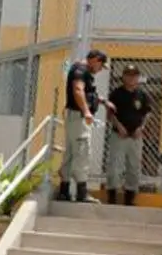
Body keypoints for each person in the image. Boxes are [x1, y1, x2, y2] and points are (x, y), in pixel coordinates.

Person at [57, 49, 113, 203]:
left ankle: (64, 191)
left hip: (74, 117)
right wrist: (87, 112)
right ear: (94, 59)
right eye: (101, 65)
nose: (100, 69)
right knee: (82, 153)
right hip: (79, 118)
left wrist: (103, 101)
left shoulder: (80, 70)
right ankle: (82, 193)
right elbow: (78, 90)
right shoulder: (81, 71)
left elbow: (87, 92)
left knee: (70, 154)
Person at [106, 64, 151, 206]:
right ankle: (112, 196)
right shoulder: (116, 93)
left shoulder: (142, 95)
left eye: (134, 75)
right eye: (129, 75)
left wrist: (141, 128)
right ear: (123, 76)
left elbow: (147, 113)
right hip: (119, 135)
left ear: (138, 77)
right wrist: (118, 126)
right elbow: (110, 113)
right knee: (115, 167)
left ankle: (129, 199)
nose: (132, 78)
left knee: (134, 167)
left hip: (135, 137)